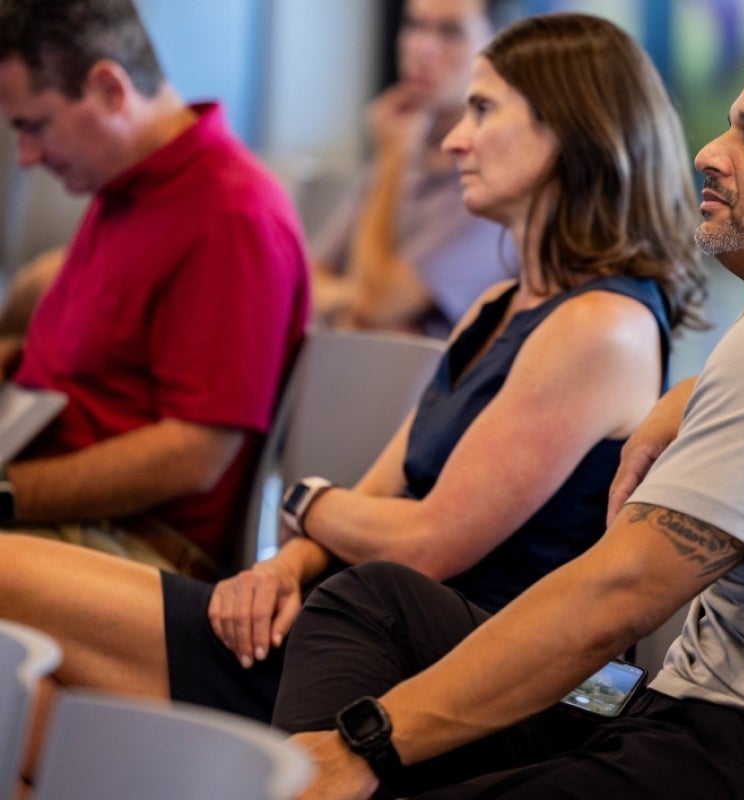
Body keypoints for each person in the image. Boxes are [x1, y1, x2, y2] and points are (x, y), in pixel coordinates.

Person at [270, 38, 744, 800]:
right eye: (732, 125)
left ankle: (314, 776)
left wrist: (366, 742)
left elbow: (617, 596)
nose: (709, 152)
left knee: (368, 731)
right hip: (712, 716)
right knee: (376, 602)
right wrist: (694, 394)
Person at [0, 8, 704, 742]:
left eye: (483, 109)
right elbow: (381, 486)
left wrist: (307, 504)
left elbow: (428, 541)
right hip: (362, 623)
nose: (456, 137)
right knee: (32, 700)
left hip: (454, 678)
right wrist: (286, 564)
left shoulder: (601, 326)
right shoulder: (498, 306)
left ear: (569, 132)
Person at [0, 0, 309, 576]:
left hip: (138, 547)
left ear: (109, 89)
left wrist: (11, 491)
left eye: (35, 125)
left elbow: (195, 454)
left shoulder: (230, 214)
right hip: (59, 518)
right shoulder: (122, 187)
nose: (26, 157)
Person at [309, 0, 512, 338]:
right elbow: (308, 276)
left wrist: (392, 159)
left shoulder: (495, 178)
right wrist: (350, 306)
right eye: (415, 26)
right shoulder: (406, 145)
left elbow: (377, 303)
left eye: (450, 32)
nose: (423, 47)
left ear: (498, 47)